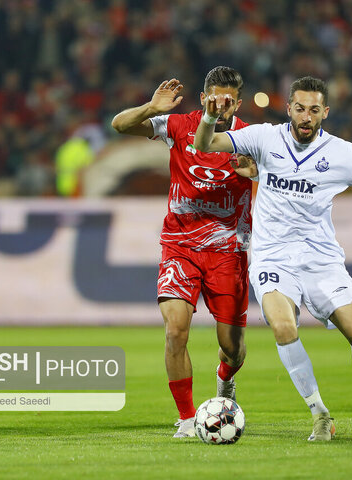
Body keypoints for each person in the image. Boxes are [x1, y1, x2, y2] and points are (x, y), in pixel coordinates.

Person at [193, 76, 352, 441]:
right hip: (272, 257)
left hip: (320, 259)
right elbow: (205, 145)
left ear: (325, 112)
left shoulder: (340, 152)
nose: (306, 117)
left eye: (314, 110)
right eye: (300, 109)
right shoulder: (265, 138)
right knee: (284, 327)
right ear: (289, 109)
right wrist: (207, 117)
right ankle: (320, 413)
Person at [111, 67, 252, 438]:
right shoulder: (178, 126)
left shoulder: (252, 138)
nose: (220, 107)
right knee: (176, 331)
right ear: (204, 97)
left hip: (228, 252)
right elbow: (119, 125)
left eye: (228, 101)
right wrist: (149, 107)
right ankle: (188, 419)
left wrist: (257, 172)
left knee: (232, 349)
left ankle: (225, 380)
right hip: (181, 246)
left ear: (237, 103)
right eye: (214, 99)